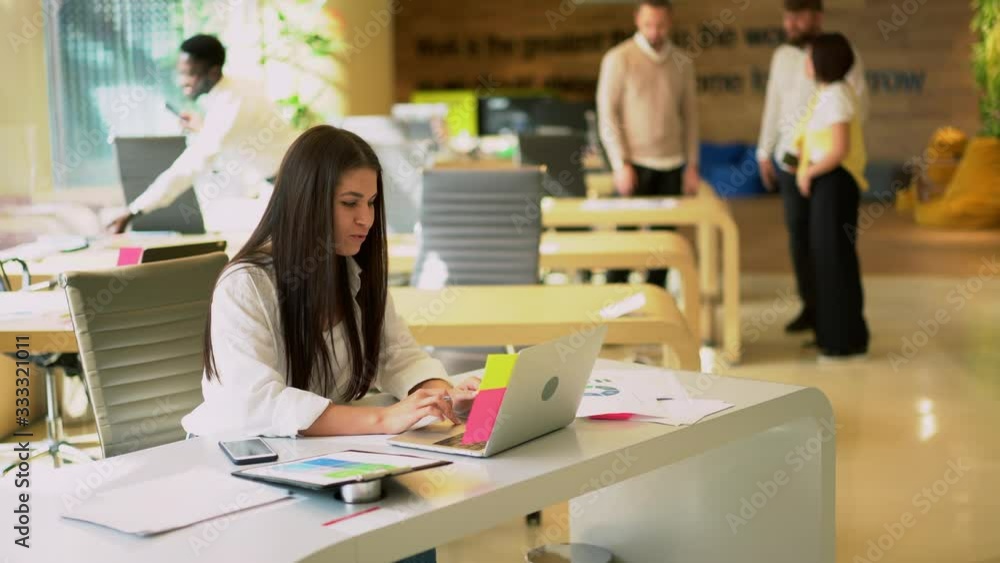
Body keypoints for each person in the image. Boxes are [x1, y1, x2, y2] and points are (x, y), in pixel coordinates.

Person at [182, 125, 480, 439]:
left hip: (318, 452)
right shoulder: (246, 285)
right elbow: (257, 403)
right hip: (239, 456)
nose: (366, 218)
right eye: (350, 203)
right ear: (306, 201)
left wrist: (444, 397)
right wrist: (383, 419)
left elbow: (396, 355)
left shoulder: (352, 270)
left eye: (372, 202)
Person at [107, 34, 298, 234]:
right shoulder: (234, 90)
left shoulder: (231, 105)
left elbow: (188, 167)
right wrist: (204, 128)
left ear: (213, 72)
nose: (182, 81)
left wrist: (134, 210)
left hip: (294, 186)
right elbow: (234, 134)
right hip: (280, 184)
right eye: (180, 73)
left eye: (189, 74)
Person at [755, 0, 868, 334]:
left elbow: (856, 111)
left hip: (826, 165)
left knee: (831, 243)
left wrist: (827, 155)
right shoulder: (781, 57)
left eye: (798, 16)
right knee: (801, 239)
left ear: (817, 16)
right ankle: (812, 308)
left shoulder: (845, 57)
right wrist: (765, 151)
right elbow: (773, 106)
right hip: (792, 162)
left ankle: (834, 317)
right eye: (787, 16)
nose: (790, 22)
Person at [596, 0, 701, 287]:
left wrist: (691, 165)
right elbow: (607, 114)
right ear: (636, 20)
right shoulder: (619, 58)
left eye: (661, 25)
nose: (654, 32)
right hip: (633, 164)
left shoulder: (682, 62)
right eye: (648, 25)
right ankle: (615, 304)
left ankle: (658, 305)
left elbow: (691, 116)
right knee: (625, 245)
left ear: (671, 22)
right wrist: (620, 164)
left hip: (671, 163)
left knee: (664, 246)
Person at [791, 33, 870, 360]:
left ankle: (843, 339)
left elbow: (839, 149)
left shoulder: (837, 94)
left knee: (834, 261)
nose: (806, 63)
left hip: (835, 183)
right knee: (826, 260)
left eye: (810, 57)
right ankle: (832, 332)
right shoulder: (826, 94)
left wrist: (809, 172)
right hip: (827, 183)